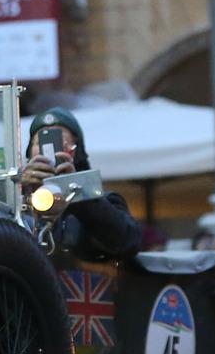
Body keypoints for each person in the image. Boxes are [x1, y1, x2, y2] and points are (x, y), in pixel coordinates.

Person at [20, 106, 141, 261]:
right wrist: (21, 189)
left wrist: (77, 192)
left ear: (77, 152)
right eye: (39, 142)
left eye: (60, 140)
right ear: (29, 153)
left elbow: (129, 242)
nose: (48, 150)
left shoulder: (103, 201)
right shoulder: (15, 203)